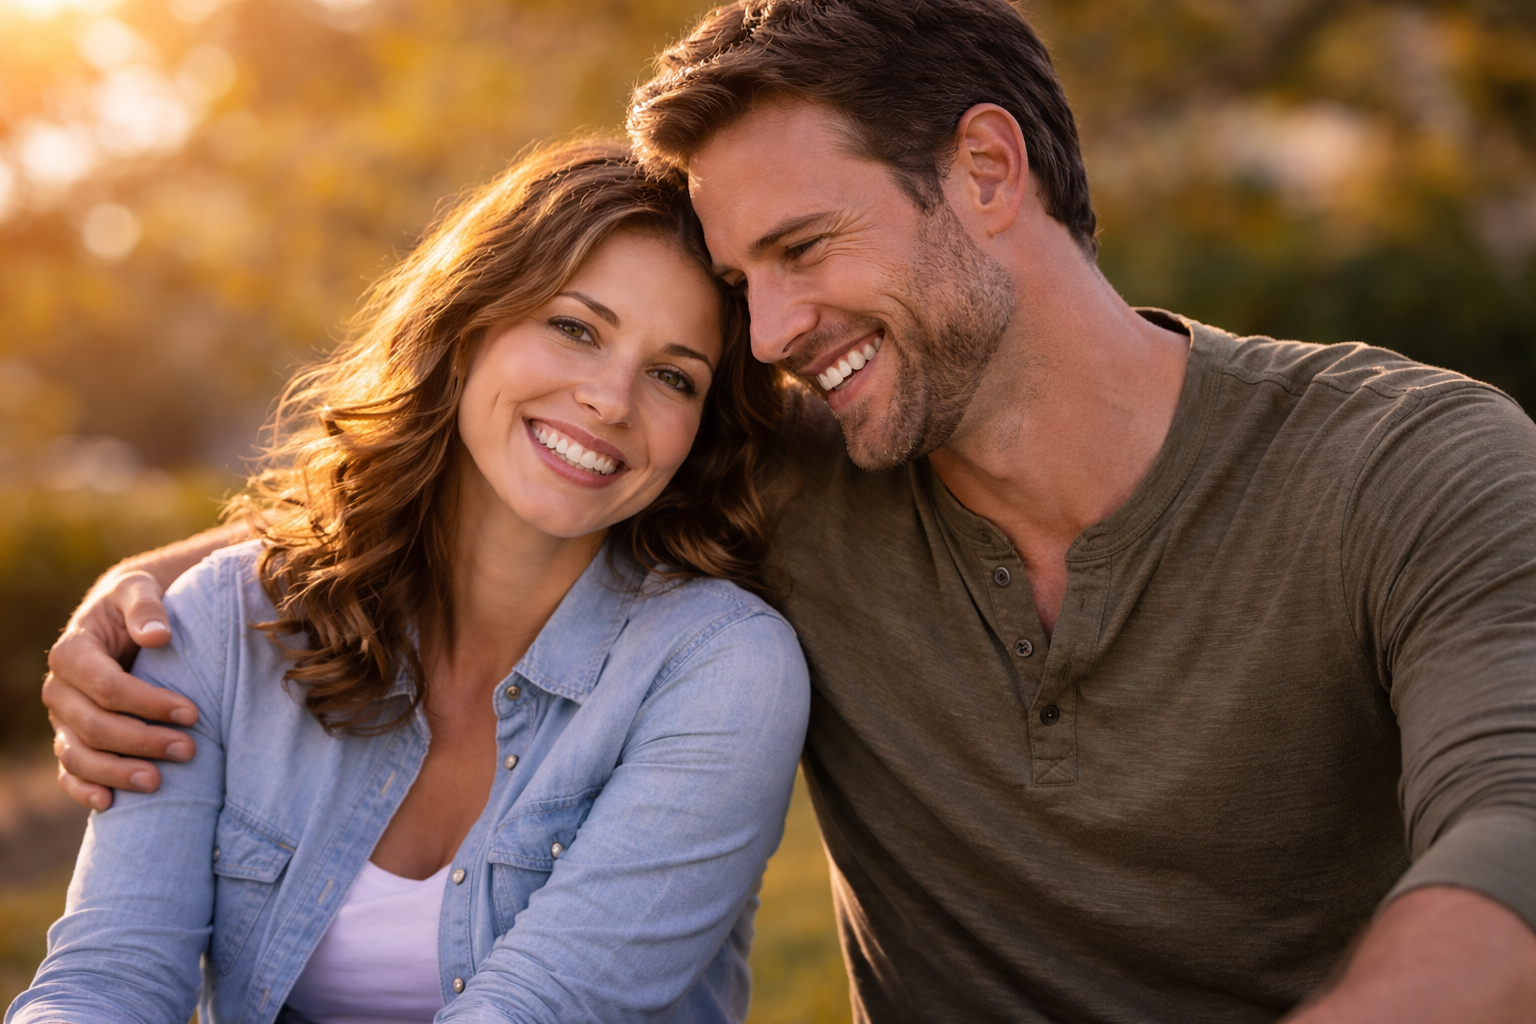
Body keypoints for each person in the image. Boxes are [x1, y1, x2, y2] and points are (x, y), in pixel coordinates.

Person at [40, 1, 1536, 1022]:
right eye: (743, 284)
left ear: (987, 169)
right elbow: (491, 481)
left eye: (806, 248)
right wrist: (149, 594)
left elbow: (1513, 836)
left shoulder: (1412, 469)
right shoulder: (789, 472)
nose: (768, 337)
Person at [11, 139, 810, 1024]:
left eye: (671, 376)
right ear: (468, 329)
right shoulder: (220, 625)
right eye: (575, 328)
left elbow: (534, 1010)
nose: (612, 401)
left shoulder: (719, 669)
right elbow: (107, 980)